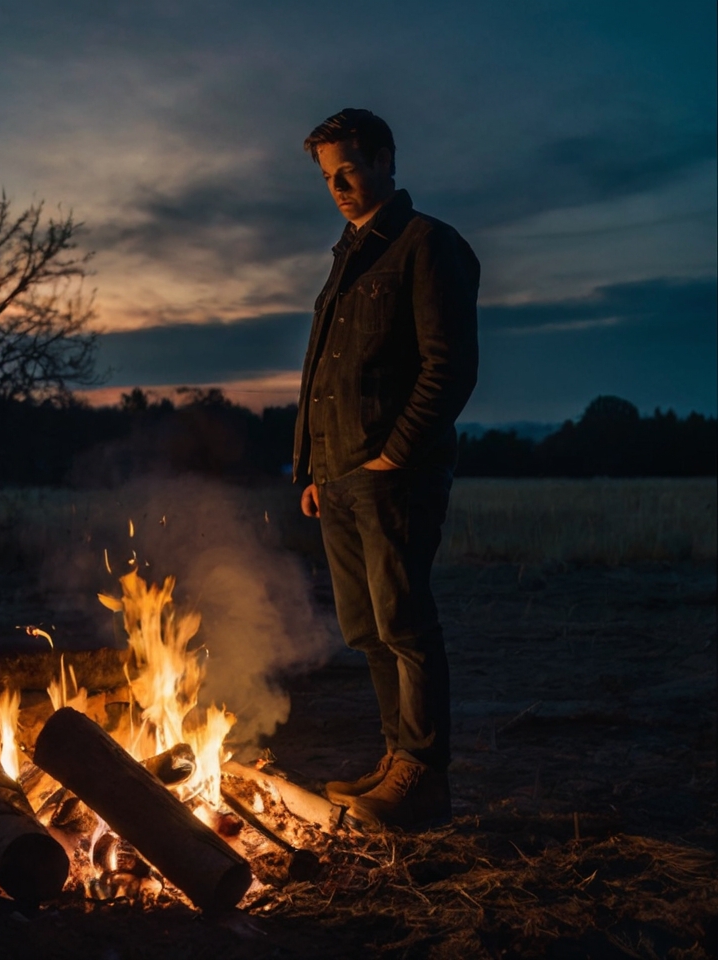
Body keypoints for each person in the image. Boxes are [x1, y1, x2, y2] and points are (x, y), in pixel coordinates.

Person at [294, 108, 479, 830]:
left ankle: (423, 777)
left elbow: (449, 366)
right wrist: (312, 468)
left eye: (349, 170)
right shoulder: (349, 255)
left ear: (385, 160)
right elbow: (324, 373)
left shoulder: (427, 244)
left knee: (405, 621)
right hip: (337, 476)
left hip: (392, 474)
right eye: (327, 177)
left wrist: (394, 452)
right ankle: (394, 758)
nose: (338, 186)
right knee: (366, 627)